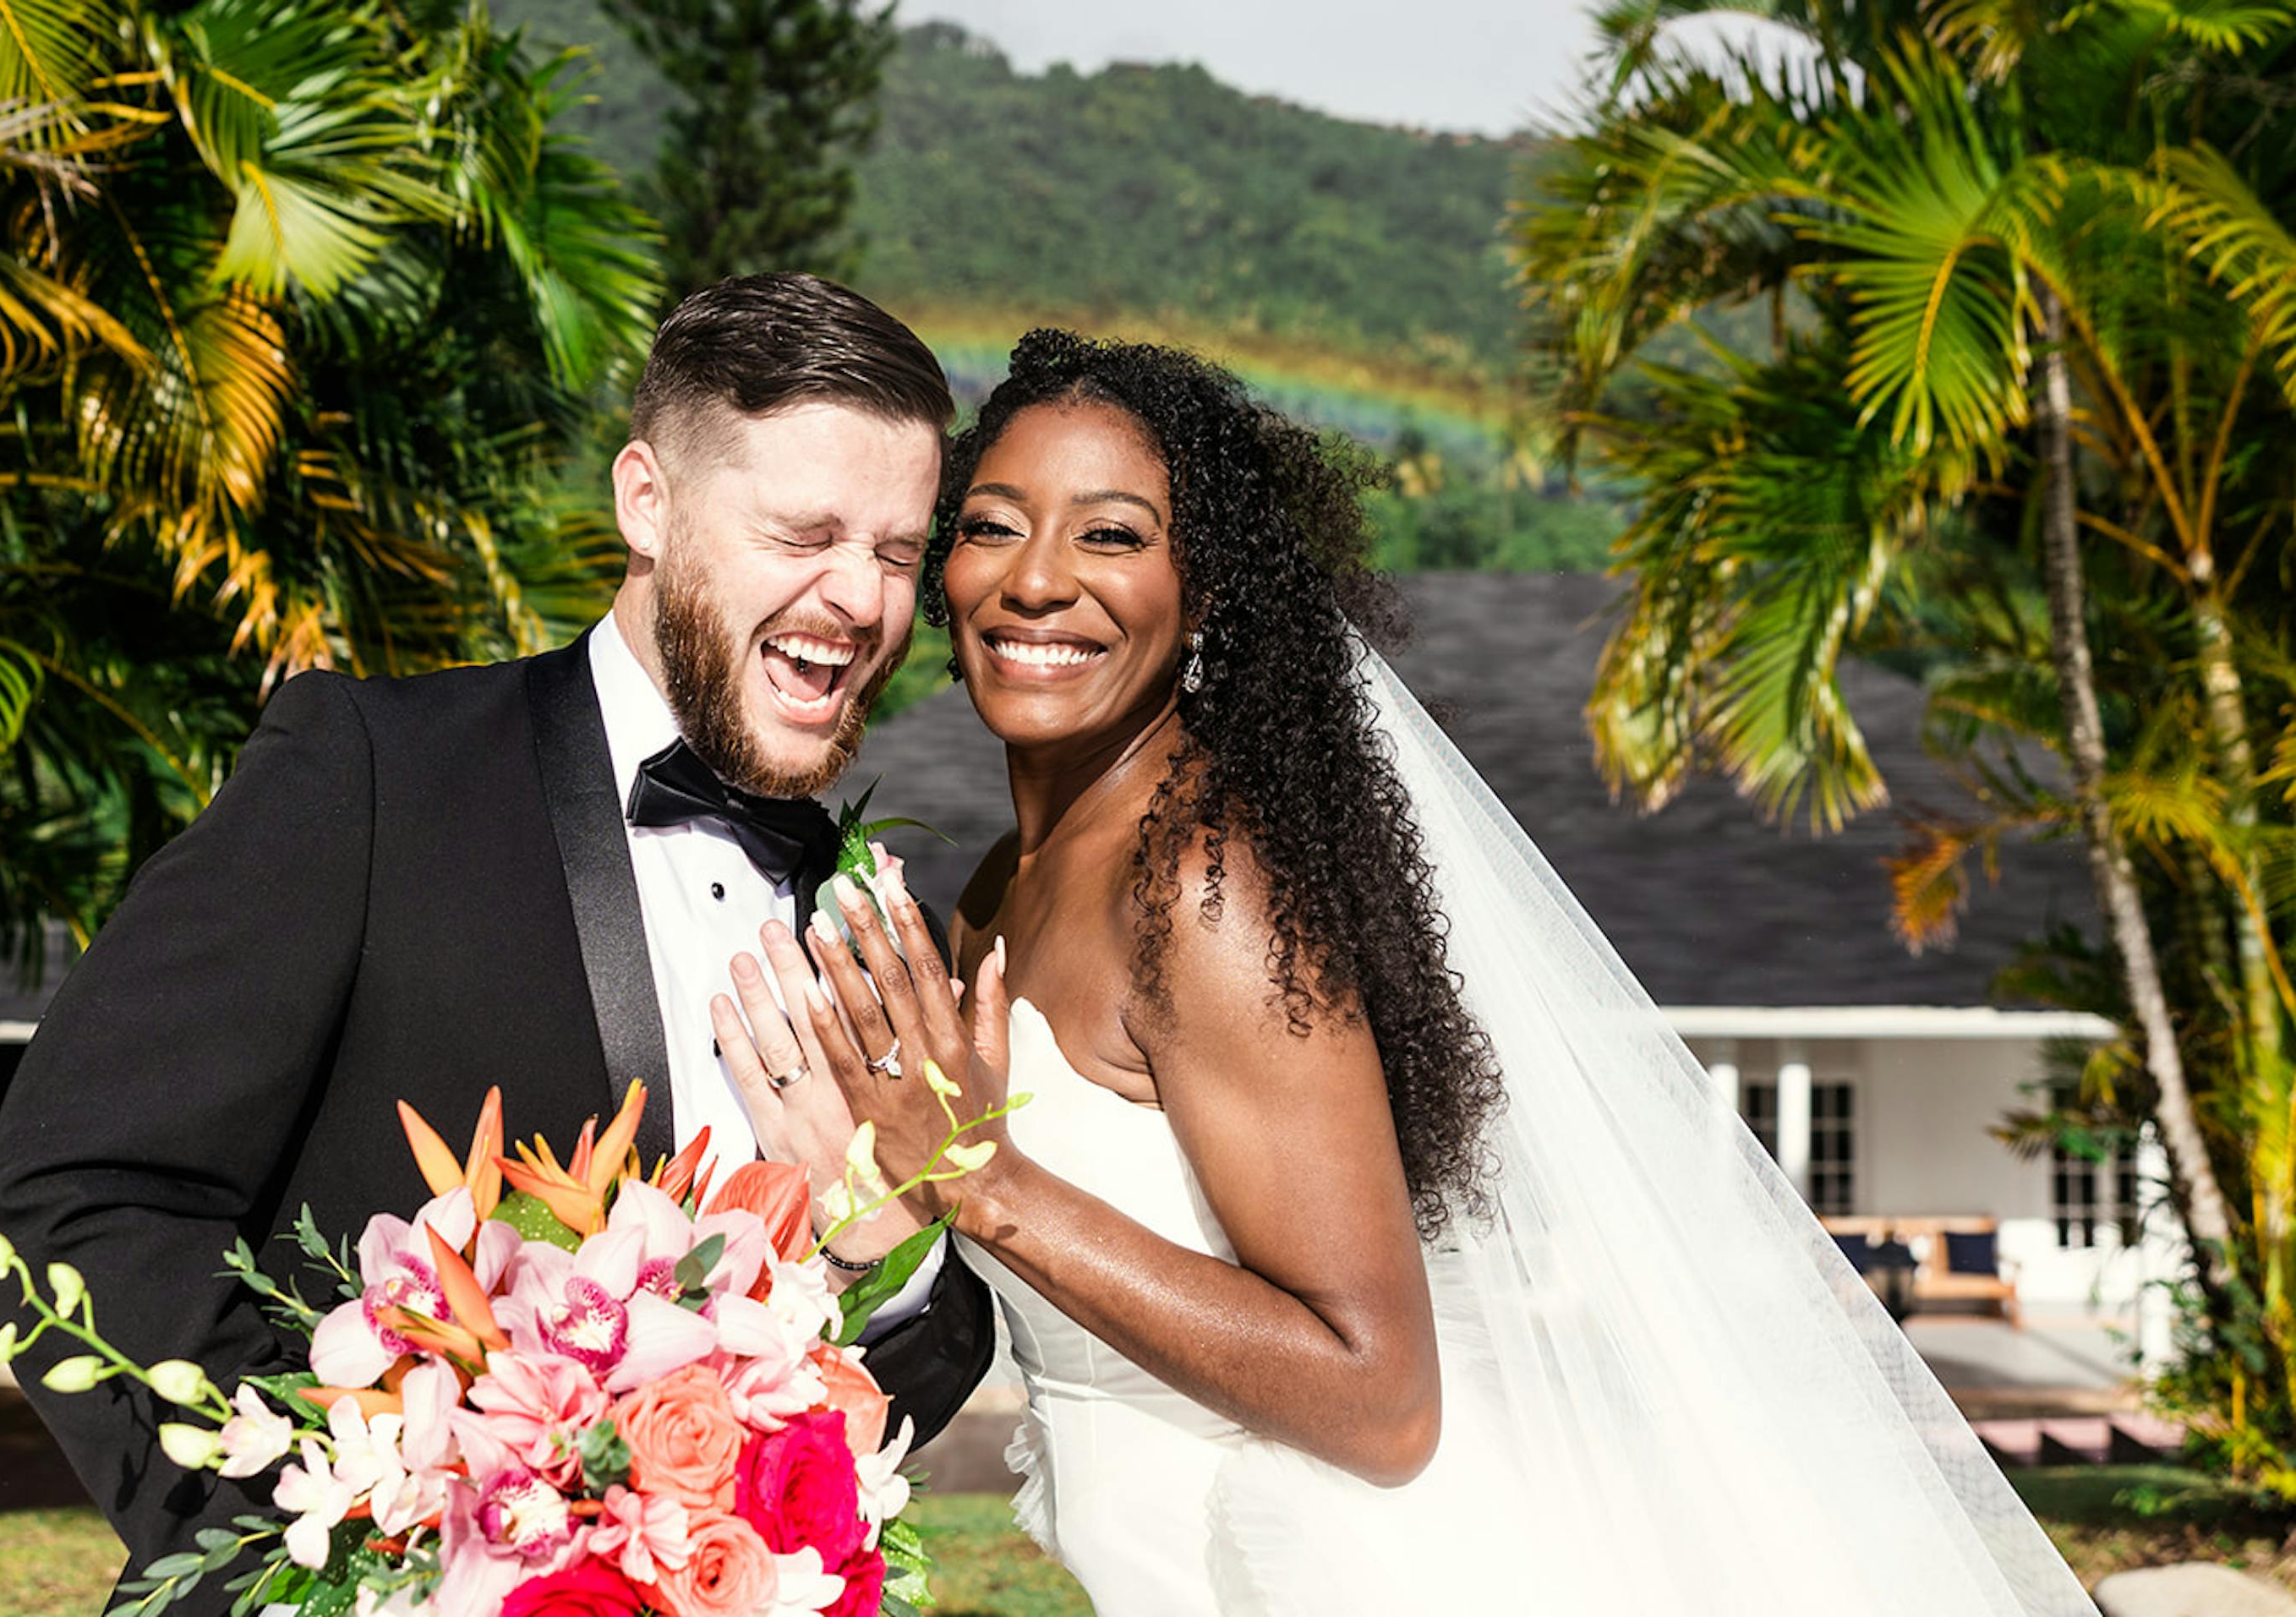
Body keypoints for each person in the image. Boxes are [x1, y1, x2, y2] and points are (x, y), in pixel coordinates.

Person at [721, 330, 2101, 1614]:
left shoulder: (1202, 891)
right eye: (991, 525)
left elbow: (1383, 1399)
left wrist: (982, 1182)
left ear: (1204, 593)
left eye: (1114, 535)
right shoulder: (997, 891)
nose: (1035, 578)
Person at [0, 273, 996, 1615]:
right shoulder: (368, 775)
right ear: (648, 501)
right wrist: (330, 1549)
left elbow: (880, 1402)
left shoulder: (865, 915)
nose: (860, 598)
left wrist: (897, 1250)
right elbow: (73, 1196)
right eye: (806, 533)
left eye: (900, 552)